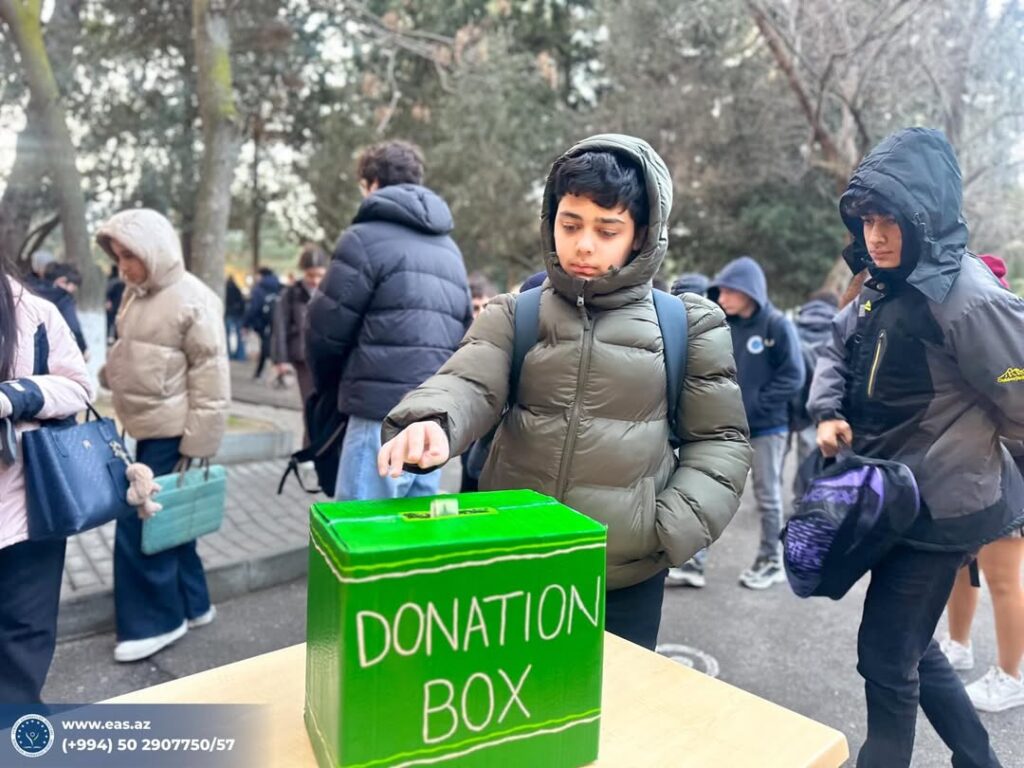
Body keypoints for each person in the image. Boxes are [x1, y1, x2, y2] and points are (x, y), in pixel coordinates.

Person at [376, 135, 751, 650]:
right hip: (510, 566)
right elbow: (466, 382)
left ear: (641, 235)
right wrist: (432, 421)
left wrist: (666, 529)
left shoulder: (687, 325)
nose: (584, 245)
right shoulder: (516, 313)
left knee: (612, 699)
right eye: (570, 224)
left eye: (607, 229)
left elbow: (722, 441)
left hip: (622, 583)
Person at [809, 127, 1024, 768]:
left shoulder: (968, 298)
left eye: (890, 221)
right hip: (887, 503)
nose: (875, 236)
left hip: (943, 513)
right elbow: (834, 346)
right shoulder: (881, 283)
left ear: (924, 218)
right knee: (914, 646)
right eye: (867, 220)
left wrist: (996, 473)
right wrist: (828, 411)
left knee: (884, 656)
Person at [96, 208, 230, 663]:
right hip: (146, 427)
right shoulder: (136, 294)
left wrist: (197, 447)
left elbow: (212, 381)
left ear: (154, 250)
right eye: (117, 256)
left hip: (173, 432)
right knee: (174, 520)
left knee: (142, 522)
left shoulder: (193, 299)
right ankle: (193, 604)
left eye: (130, 255)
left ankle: (156, 622)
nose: (123, 266)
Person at [306, 139, 472, 501]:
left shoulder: (363, 239)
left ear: (372, 184)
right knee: (415, 529)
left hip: (376, 414)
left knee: (363, 528)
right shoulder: (450, 250)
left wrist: (329, 389)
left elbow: (324, 330)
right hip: (429, 419)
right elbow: (464, 331)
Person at [0, 252, 92, 708]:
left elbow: (79, 386)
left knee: (23, 637)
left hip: (27, 503)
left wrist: (17, 395)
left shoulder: (34, 312)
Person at [939, 253, 1024, 714]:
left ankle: (1012, 676)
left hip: (1009, 475)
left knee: (1003, 578)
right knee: (961, 564)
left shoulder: (1006, 337)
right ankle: (958, 644)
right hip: (972, 473)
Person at [706, 256, 804, 590]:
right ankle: (694, 561)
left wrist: (757, 404)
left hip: (768, 429)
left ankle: (771, 560)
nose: (721, 298)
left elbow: (793, 376)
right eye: (719, 291)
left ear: (749, 292)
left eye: (728, 291)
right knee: (710, 492)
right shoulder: (725, 325)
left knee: (768, 498)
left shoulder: (777, 325)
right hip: (729, 428)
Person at [271, 245, 327, 442]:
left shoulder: (331, 291)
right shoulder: (291, 293)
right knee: (311, 404)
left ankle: (320, 446)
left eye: (319, 275)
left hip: (328, 355)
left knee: (326, 406)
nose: (315, 280)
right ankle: (310, 446)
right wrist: (280, 359)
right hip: (303, 357)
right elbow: (280, 326)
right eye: (311, 275)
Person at [788, 289, 839, 494]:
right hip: (820, 402)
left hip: (790, 400)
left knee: (775, 457)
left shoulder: (793, 326)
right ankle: (804, 497)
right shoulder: (840, 326)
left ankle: (771, 497)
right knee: (810, 453)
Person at [459, 272, 499, 493]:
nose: (481, 313)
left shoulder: (504, 336)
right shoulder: (458, 340)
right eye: (475, 308)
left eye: (486, 306)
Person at [244, 267, 282, 379]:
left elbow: (253, 308)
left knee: (266, 346)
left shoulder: (259, 289)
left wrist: (246, 323)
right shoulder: (280, 286)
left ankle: (261, 372)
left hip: (263, 323)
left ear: (261, 275)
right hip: (278, 321)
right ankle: (273, 371)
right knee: (273, 345)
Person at [224, 275, 247, 361]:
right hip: (237, 314)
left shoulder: (226, 289)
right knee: (239, 335)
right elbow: (242, 302)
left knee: (226, 335)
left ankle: (228, 355)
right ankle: (241, 356)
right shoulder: (237, 289)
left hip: (228, 314)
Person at [106, 264, 125, 344]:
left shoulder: (111, 281)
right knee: (116, 322)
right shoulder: (120, 282)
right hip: (118, 304)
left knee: (110, 322)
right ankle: (115, 338)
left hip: (113, 305)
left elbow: (107, 293)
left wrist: (107, 301)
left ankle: (109, 337)